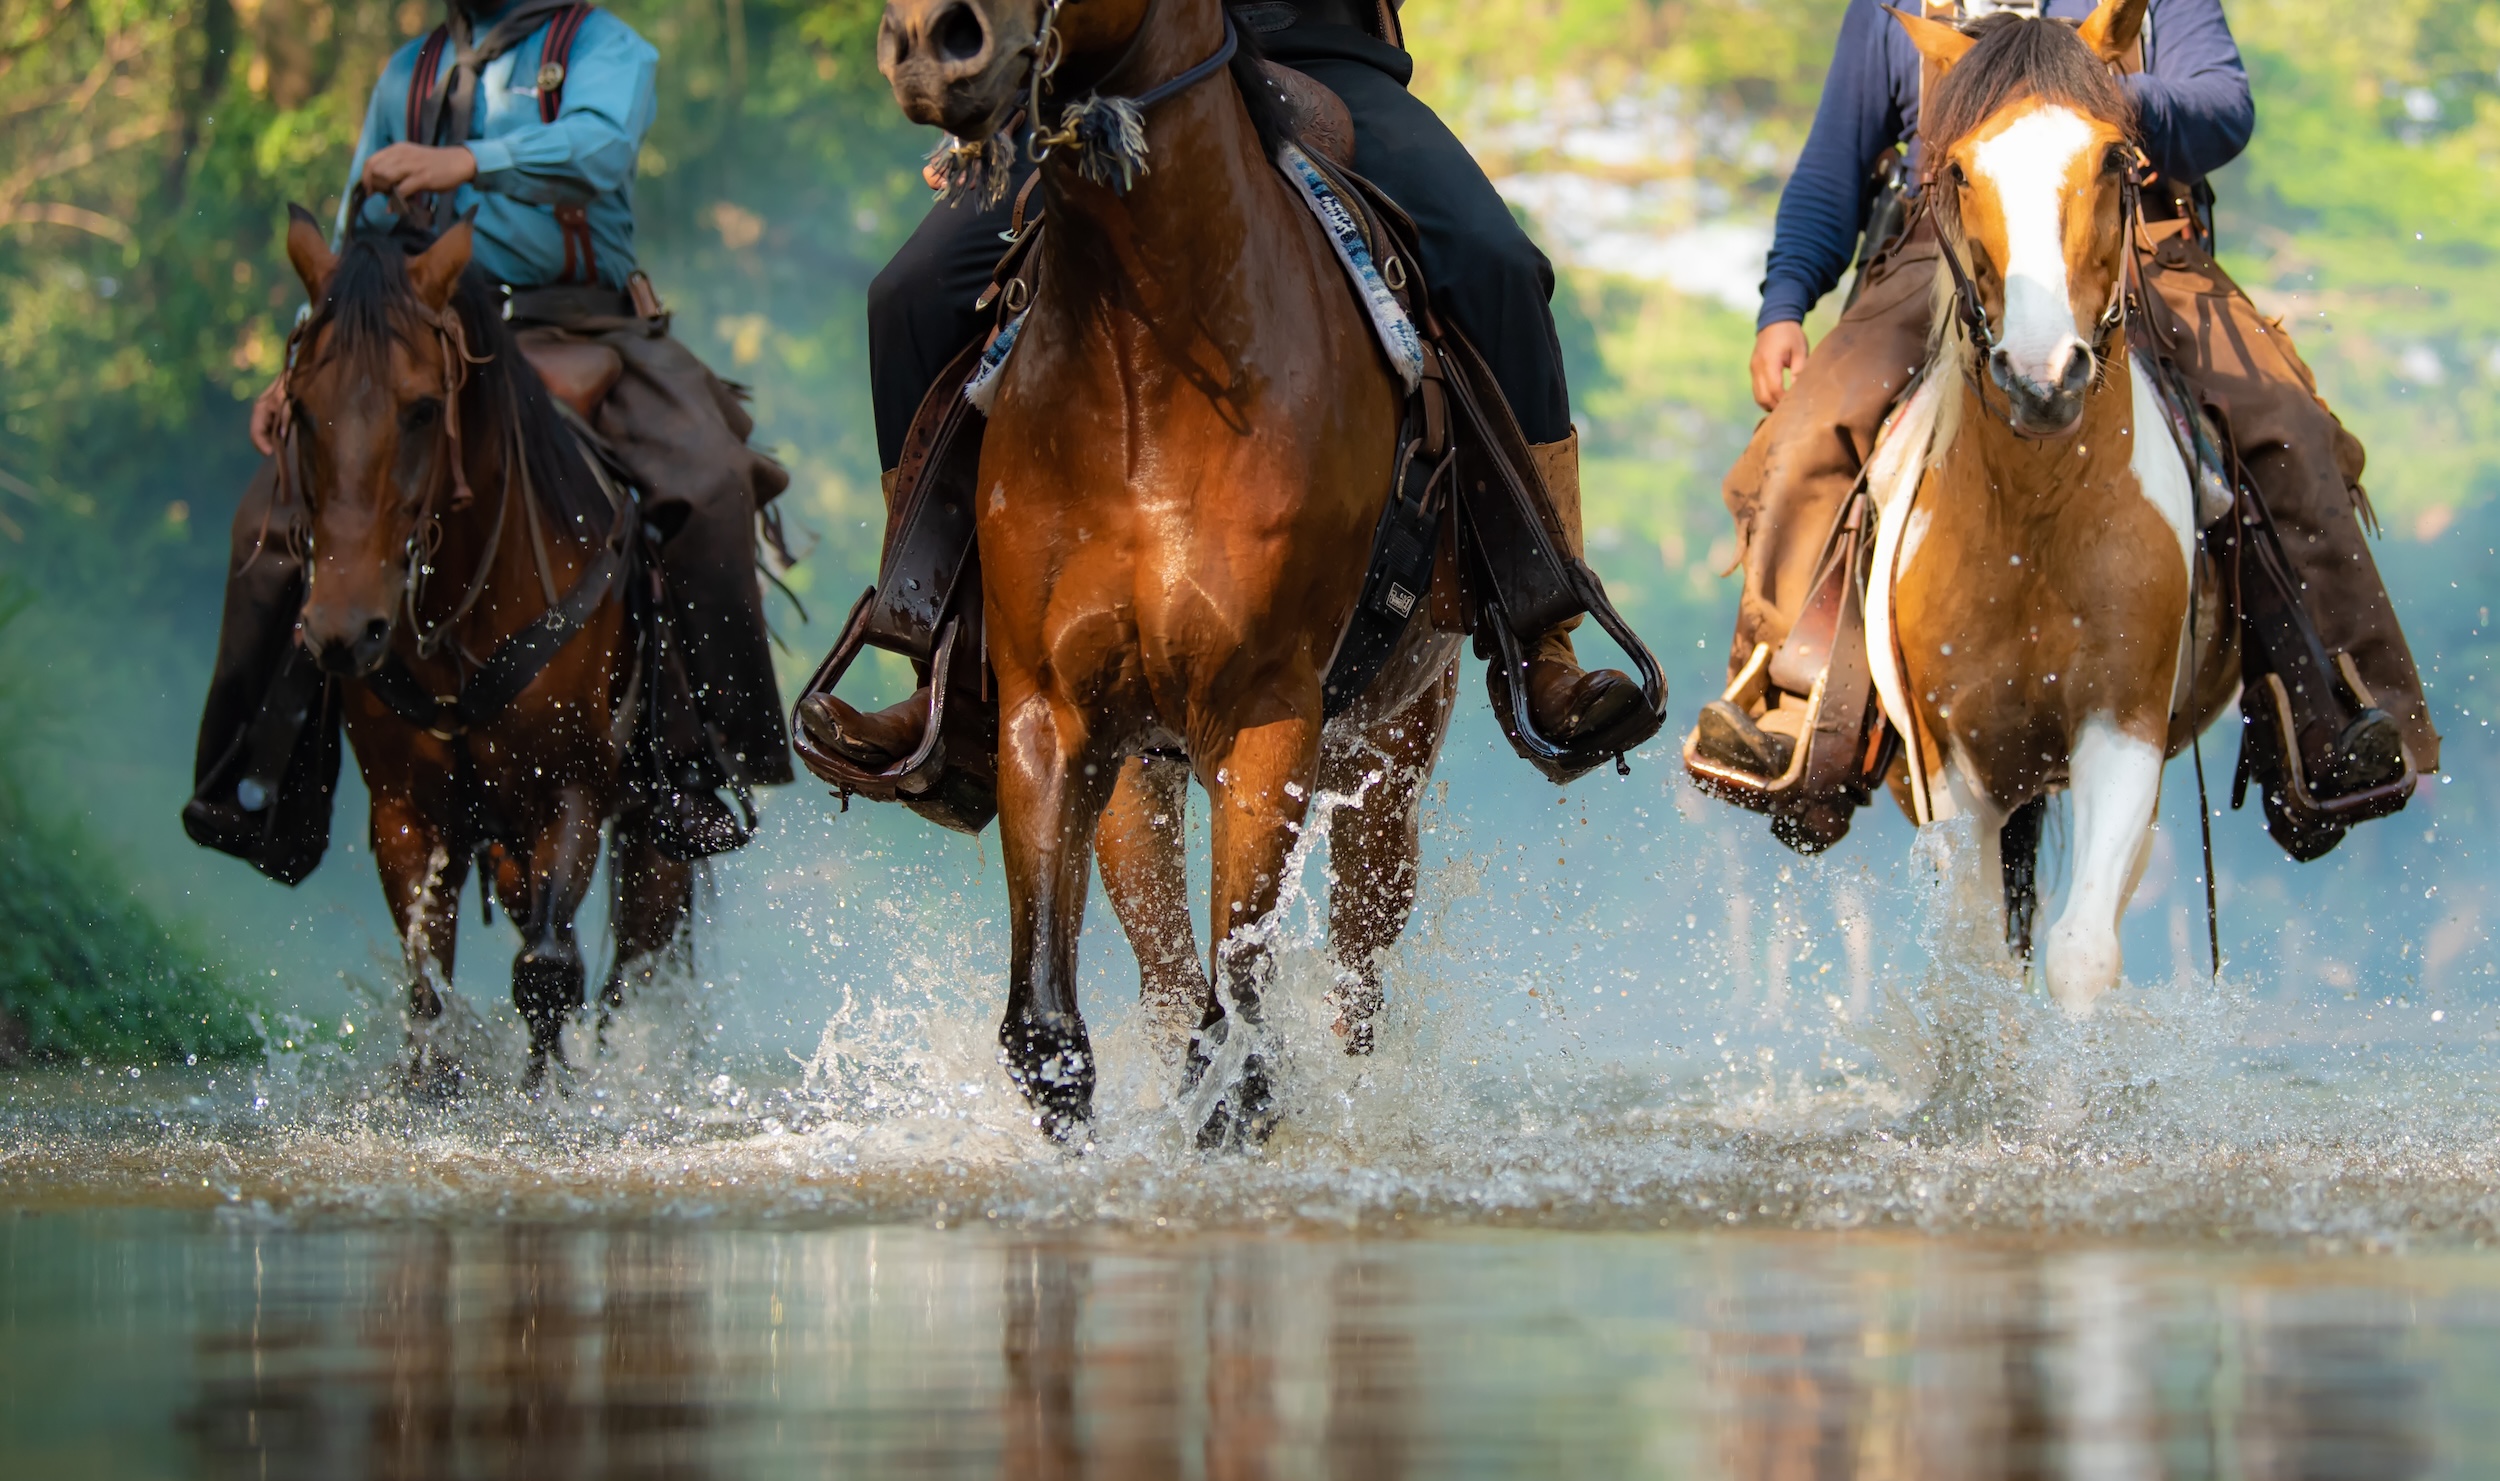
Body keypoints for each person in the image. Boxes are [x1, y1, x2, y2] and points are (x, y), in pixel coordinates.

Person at [1690, 0, 2437, 854]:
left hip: (2131, 242)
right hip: (1949, 253)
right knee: (1810, 426)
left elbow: (2223, 105)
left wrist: (2114, 109)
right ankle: (1791, 698)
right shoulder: (1889, 9)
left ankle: (2329, 703)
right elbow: (1835, 166)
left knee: (2285, 420)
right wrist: (1787, 299)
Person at [823, 0, 1641, 763]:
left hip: (1318, 52)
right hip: (1100, 72)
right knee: (912, 294)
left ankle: (1542, 635)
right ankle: (941, 663)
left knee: (1495, 264)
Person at [187, 0, 791, 865]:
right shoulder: (410, 70)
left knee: (709, 479)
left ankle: (697, 764)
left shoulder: (604, 48)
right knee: (267, 520)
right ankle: (256, 778)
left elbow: (600, 150)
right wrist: (302, 357)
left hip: (580, 327)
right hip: (416, 344)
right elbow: (358, 231)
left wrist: (468, 159)